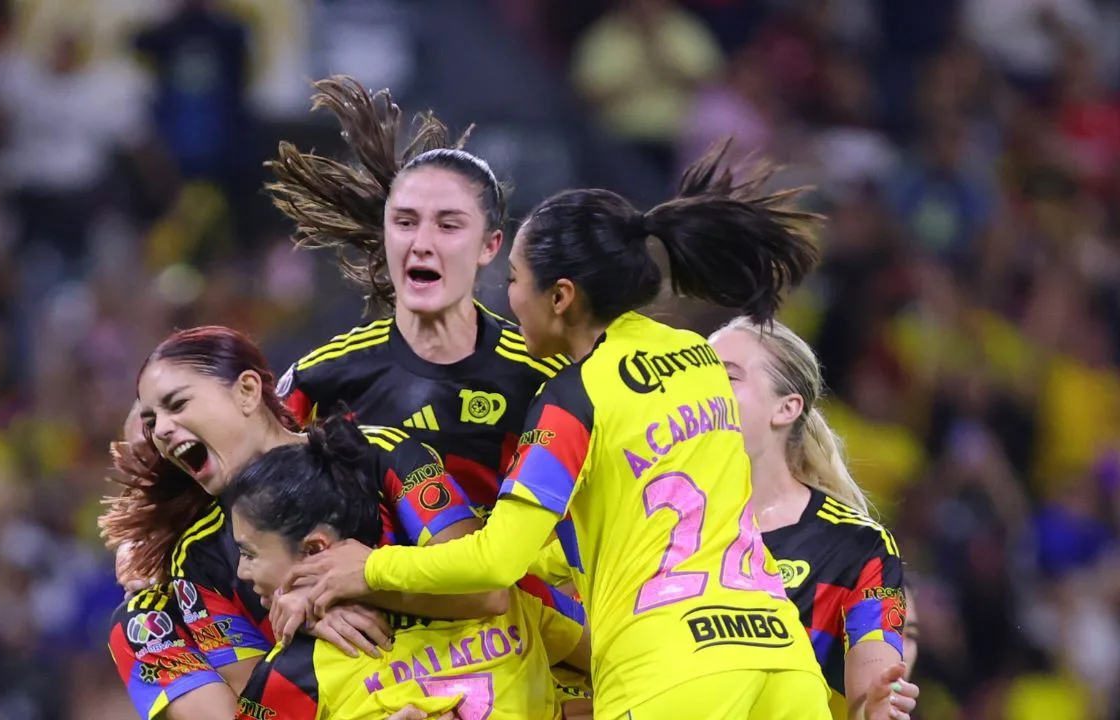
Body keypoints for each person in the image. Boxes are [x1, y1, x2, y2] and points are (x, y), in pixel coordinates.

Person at [279, 144, 833, 719]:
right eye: (407, 221)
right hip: (781, 656)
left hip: (668, 665)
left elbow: (497, 563)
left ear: (560, 296)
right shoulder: (698, 356)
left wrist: (364, 570)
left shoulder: (570, 396)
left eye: (517, 279)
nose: (511, 296)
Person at [266, 75, 591, 711]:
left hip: (528, 634)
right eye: (406, 222)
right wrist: (294, 593)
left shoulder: (544, 372)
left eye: (449, 225)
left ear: (490, 247)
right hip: (384, 650)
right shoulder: (320, 379)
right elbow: (251, 509)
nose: (422, 242)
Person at [100, 325, 503, 720]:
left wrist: (356, 582)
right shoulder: (198, 557)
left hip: (474, 677)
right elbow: (257, 706)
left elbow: (488, 592)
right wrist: (300, 631)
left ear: (247, 390)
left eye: (178, 404)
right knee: (135, 622)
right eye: (152, 422)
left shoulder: (378, 452)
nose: (163, 431)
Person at [227, 413, 590, 719]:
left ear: (315, 549)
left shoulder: (292, 673)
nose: (242, 572)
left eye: (250, 553)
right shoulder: (517, 600)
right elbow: (619, 667)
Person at [708, 318, 919, 720]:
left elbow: (871, 686)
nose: (701, 389)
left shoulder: (856, 548)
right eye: (697, 373)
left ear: (786, 408)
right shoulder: (659, 513)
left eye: (727, 376)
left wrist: (874, 707)